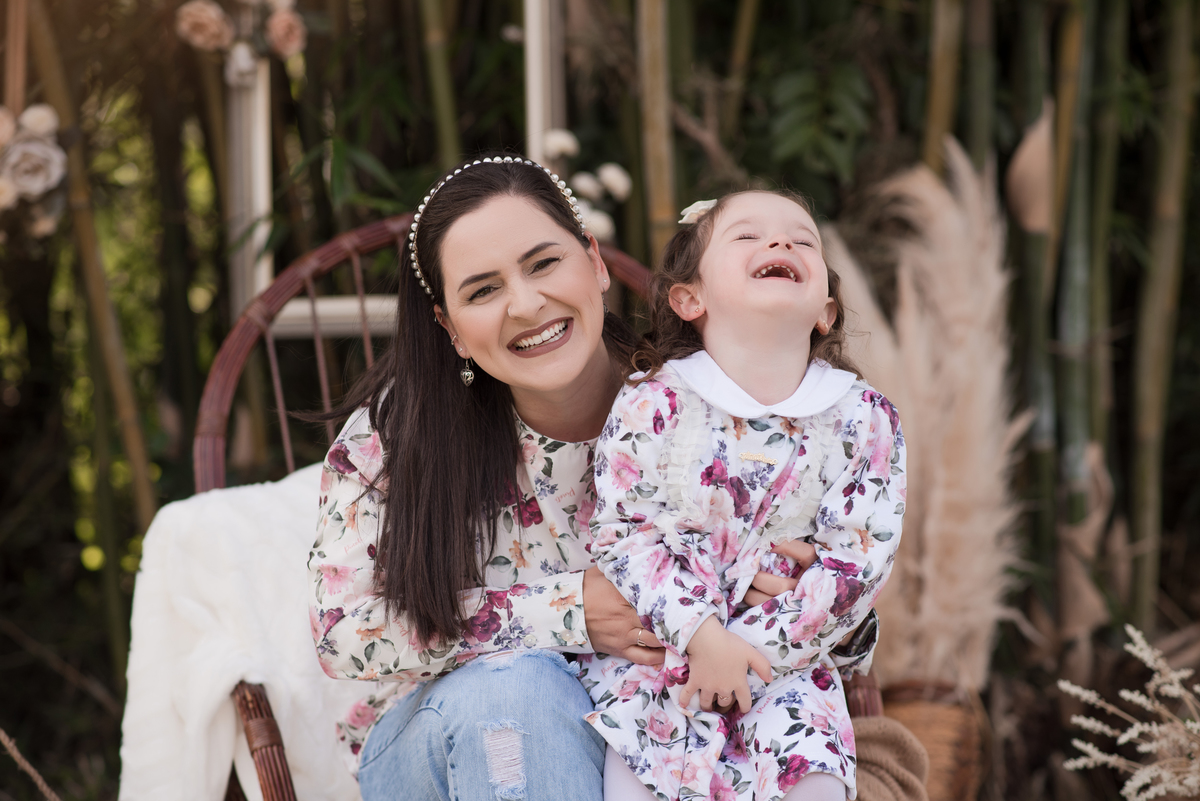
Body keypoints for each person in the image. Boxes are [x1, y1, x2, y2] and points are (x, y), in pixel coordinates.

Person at [307, 157, 877, 801]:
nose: (526, 304)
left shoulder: (704, 403)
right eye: (483, 291)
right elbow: (342, 632)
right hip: (443, 740)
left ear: (595, 264)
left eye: (544, 263)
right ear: (450, 328)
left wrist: (808, 598)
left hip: (653, 734)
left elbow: (838, 622)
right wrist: (573, 609)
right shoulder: (396, 435)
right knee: (518, 690)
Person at [579, 191, 906, 801]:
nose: (780, 243)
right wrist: (704, 638)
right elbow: (625, 533)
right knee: (638, 780)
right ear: (689, 299)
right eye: (748, 236)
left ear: (825, 312)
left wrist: (752, 650)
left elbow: (859, 559)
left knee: (812, 783)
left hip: (788, 667)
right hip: (666, 662)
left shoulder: (862, 416)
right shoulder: (654, 400)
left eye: (802, 240)